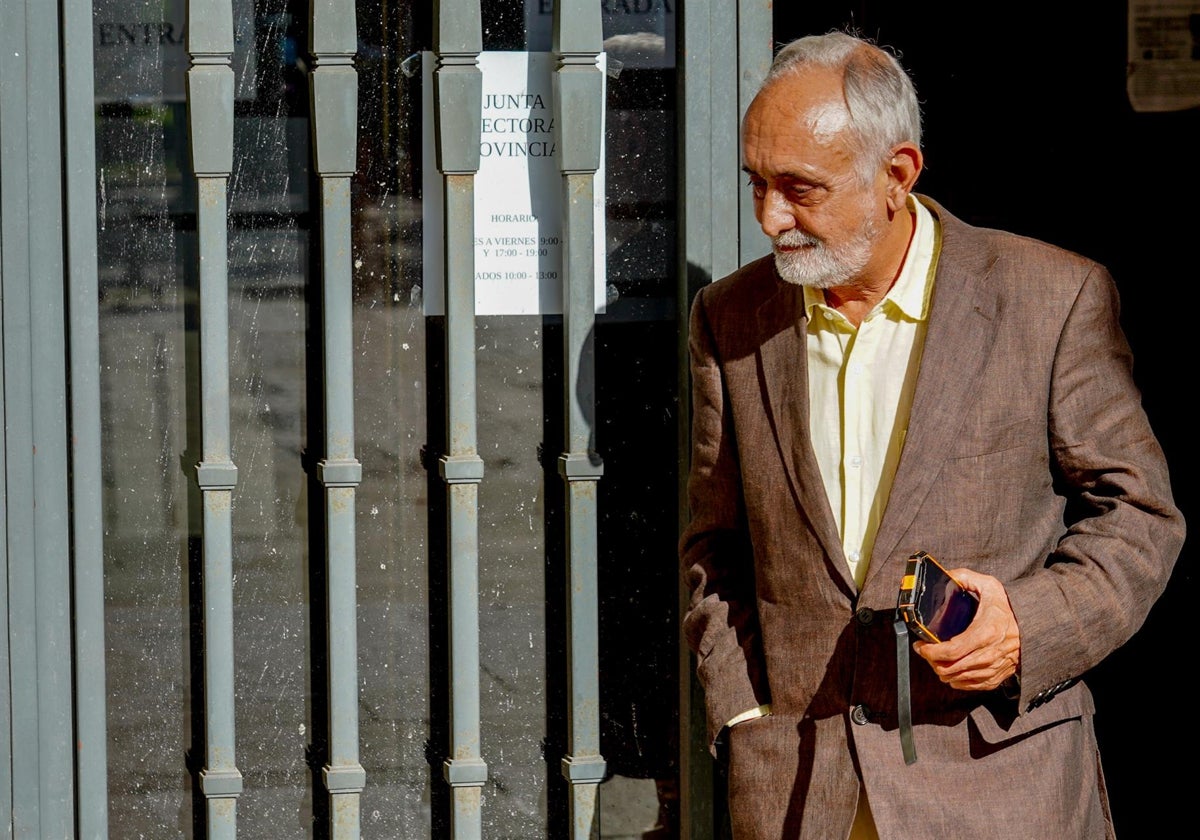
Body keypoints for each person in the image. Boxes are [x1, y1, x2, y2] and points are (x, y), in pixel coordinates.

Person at [679, 30, 1185, 840]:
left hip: (1001, 791)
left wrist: (1029, 624)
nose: (772, 218)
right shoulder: (730, 319)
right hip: (798, 796)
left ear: (897, 175)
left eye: (800, 188)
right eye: (757, 185)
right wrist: (743, 712)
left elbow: (1139, 520)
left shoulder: (1050, 299)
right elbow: (714, 548)